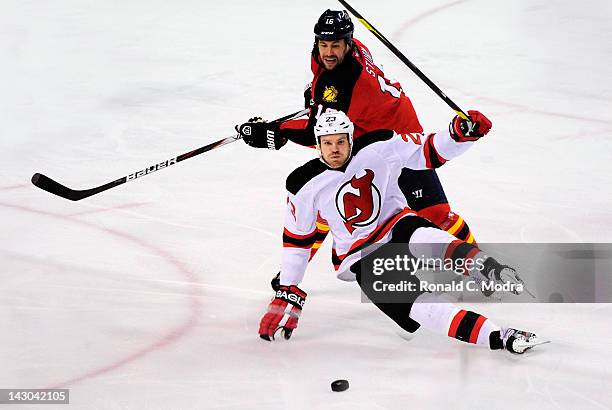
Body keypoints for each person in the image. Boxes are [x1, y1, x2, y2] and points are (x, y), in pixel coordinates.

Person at [257, 109, 546, 355]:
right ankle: (502, 338)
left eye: (341, 141)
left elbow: (428, 151)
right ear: (318, 145)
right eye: (328, 142)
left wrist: (459, 134)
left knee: (432, 238)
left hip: (397, 225)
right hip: (359, 257)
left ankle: (492, 271)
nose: (335, 149)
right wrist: (288, 289)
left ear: (351, 138)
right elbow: (297, 241)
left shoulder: (380, 146)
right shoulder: (303, 184)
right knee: (423, 310)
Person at [237, 9, 478, 279]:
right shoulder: (338, 56)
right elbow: (327, 108)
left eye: (335, 46)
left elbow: (317, 135)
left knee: (437, 215)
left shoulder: (344, 82)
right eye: (323, 44)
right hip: (363, 132)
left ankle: (477, 265)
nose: (328, 52)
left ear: (348, 43)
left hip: (397, 137)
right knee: (328, 196)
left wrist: (273, 131)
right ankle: (292, 272)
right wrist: (317, 99)